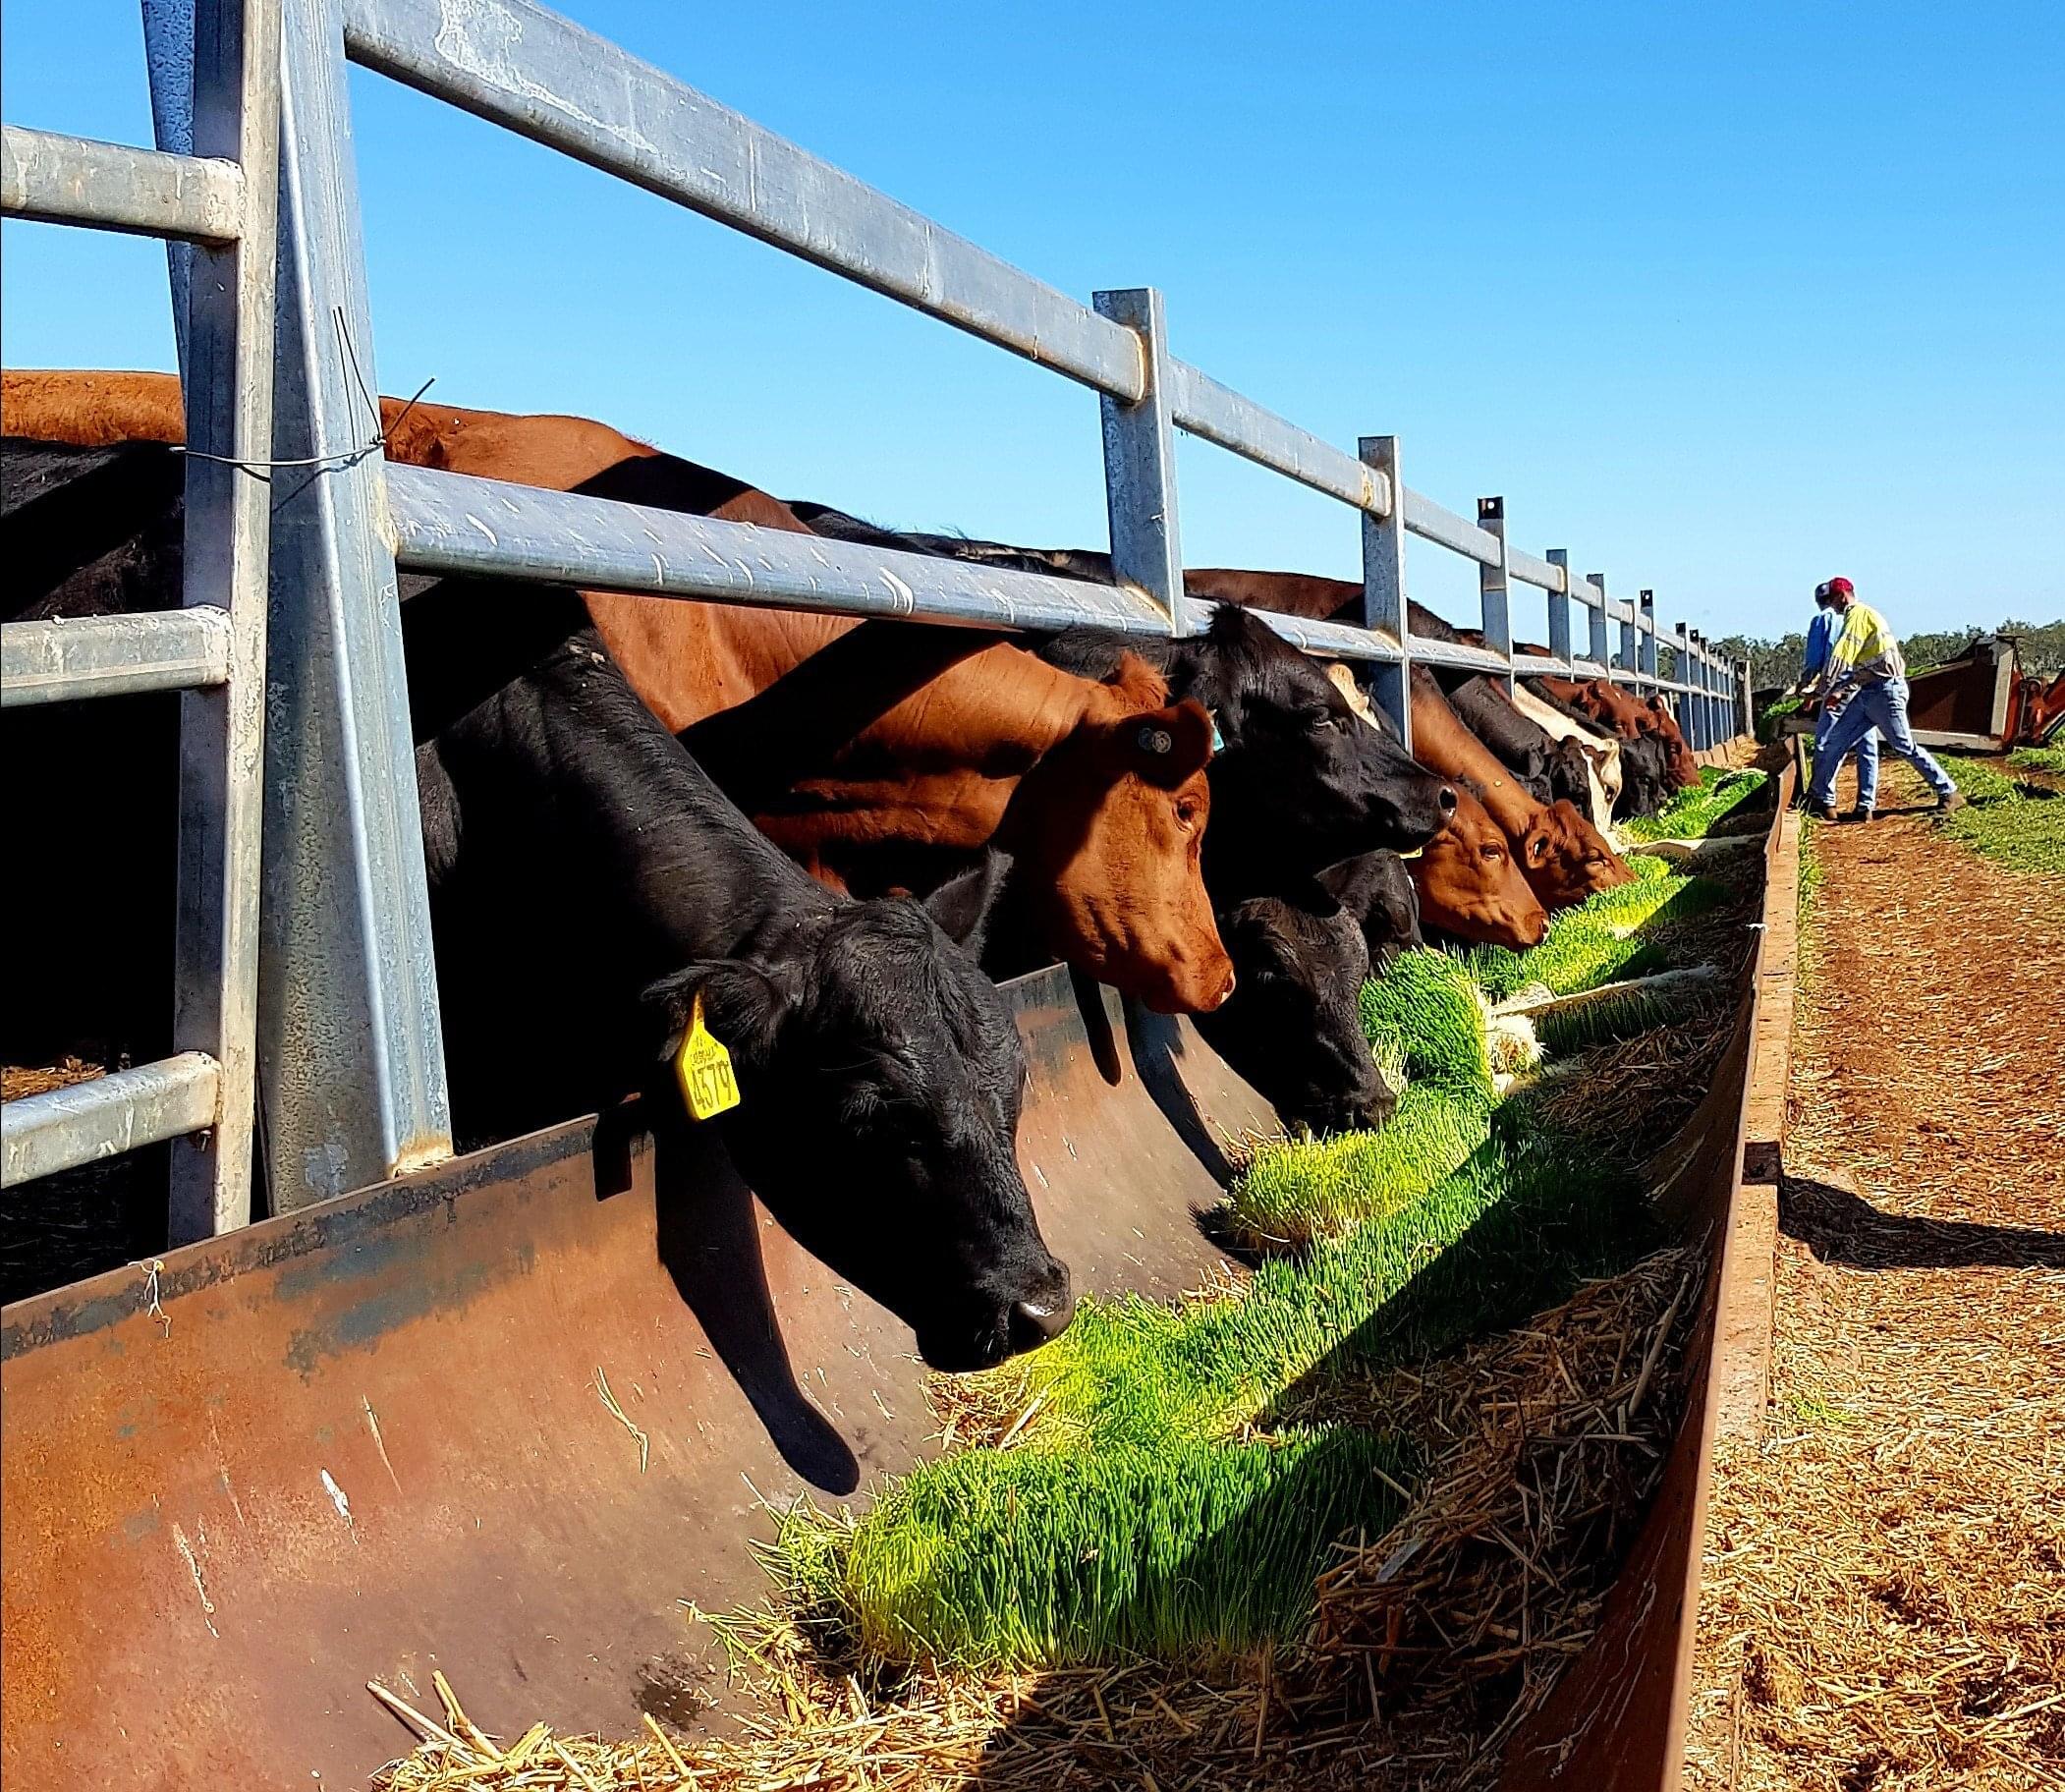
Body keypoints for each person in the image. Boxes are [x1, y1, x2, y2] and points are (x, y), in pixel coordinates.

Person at [1806, 578, 1965, 821]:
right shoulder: (1860, 615)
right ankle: (1822, 801)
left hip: (1886, 691)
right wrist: (1842, 689)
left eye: (1831, 600)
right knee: (1835, 741)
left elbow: (1841, 656)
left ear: (1841, 596)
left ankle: (1948, 792)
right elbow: (1866, 667)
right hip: (1868, 691)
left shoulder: (1857, 615)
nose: (1831, 607)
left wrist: (1821, 689)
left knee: (1904, 746)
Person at [1794, 580, 1879, 820]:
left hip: (1838, 689)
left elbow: (1814, 661)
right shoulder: (1861, 615)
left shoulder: (1823, 620)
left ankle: (1825, 800)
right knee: (1867, 746)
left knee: (1827, 741)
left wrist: (1806, 689)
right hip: (1865, 686)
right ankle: (1866, 805)